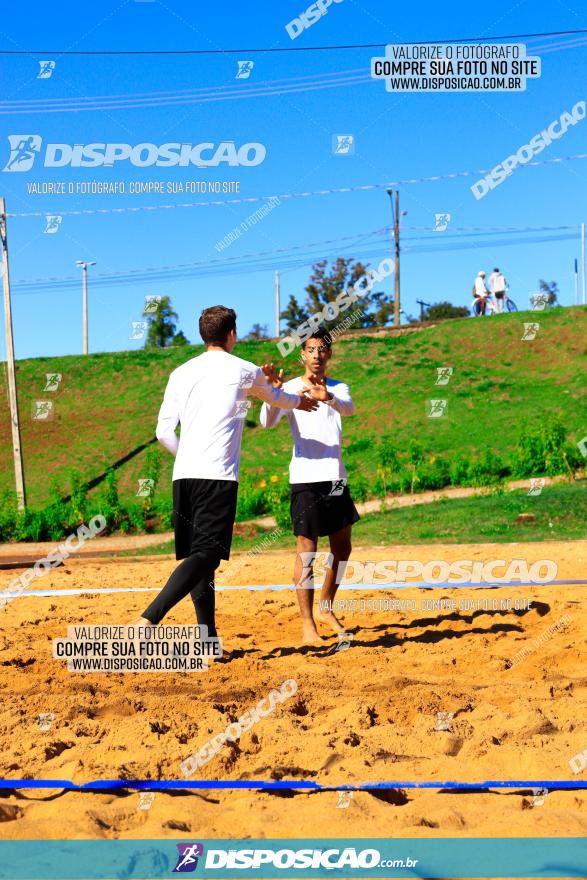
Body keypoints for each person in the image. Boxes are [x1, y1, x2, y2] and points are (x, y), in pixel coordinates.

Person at [134, 305, 319, 641]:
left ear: (203, 335)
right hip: (217, 475)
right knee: (206, 555)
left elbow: (163, 432)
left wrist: (185, 454)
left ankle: (208, 641)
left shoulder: (180, 373)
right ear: (231, 334)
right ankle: (148, 619)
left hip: (183, 476)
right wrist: (299, 401)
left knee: (202, 561)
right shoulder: (245, 371)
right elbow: (277, 398)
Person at [259, 328, 359, 644]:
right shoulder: (289, 387)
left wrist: (325, 396)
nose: (316, 355)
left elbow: (349, 408)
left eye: (322, 350)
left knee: (342, 548)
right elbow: (267, 422)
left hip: (335, 477)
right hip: (305, 478)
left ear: (329, 354)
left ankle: (326, 609)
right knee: (307, 552)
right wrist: (275, 393)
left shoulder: (338, 387)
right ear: (302, 354)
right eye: (311, 349)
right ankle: (307, 625)